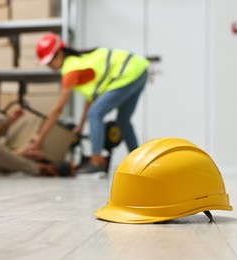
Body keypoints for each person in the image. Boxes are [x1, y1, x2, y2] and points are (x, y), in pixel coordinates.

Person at [30, 33, 149, 174]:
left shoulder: (70, 70)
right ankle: (140, 163)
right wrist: (80, 127)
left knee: (96, 114)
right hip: (140, 70)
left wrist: (40, 138)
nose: (49, 66)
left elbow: (58, 109)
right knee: (123, 121)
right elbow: (91, 99)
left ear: (60, 53)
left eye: (50, 61)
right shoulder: (79, 61)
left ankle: (96, 162)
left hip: (128, 73)